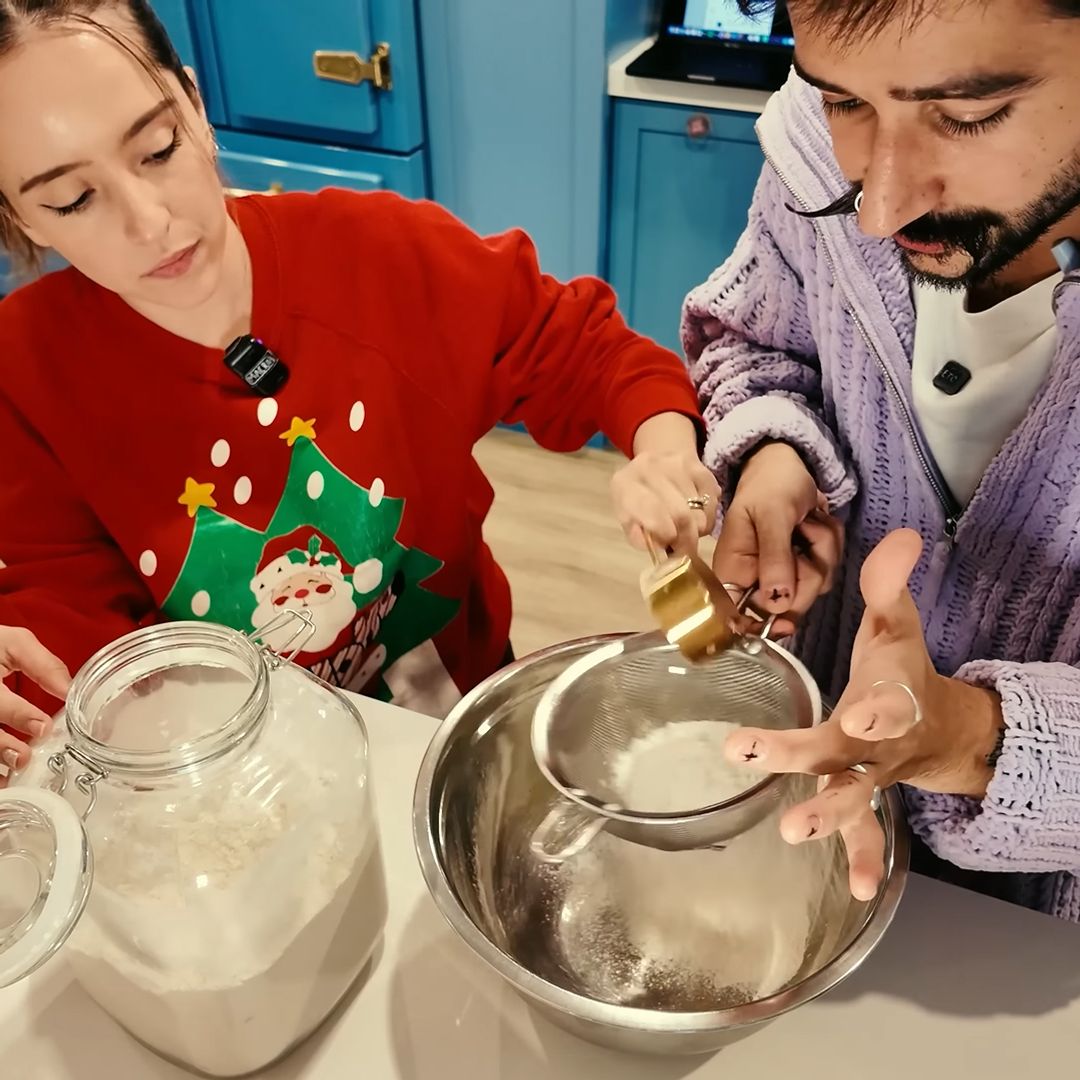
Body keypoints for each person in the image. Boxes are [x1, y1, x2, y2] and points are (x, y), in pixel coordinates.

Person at [0, 0, 720, 782]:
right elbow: (66, 630)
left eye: (158, 148)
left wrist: (662, 447)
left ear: (197, 110)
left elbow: (575, 343)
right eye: (72, 200)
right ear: (20, 219)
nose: (150, 221)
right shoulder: (25, 375)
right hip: (244, 774)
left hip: (459, 711)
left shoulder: (376, 255)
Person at [690, 0, 1080, 921]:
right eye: (840, 99)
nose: (877, 208)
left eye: (969, 112)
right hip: (830, 816)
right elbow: (760, 342)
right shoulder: (811, 155)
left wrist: (970, 740)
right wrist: (777, 449)